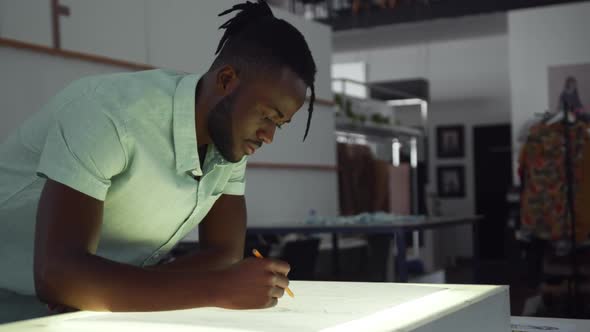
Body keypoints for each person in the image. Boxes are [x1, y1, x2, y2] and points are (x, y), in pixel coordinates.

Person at [0, 0, 316, 323]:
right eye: (266, 116)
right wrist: (216, 288)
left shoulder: (229, 141)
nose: (269, 136)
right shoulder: (108, 114)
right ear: (226, 81)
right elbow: (57, 274)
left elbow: (223, 254)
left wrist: (93, 288)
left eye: (279, 124)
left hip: (71, 318)